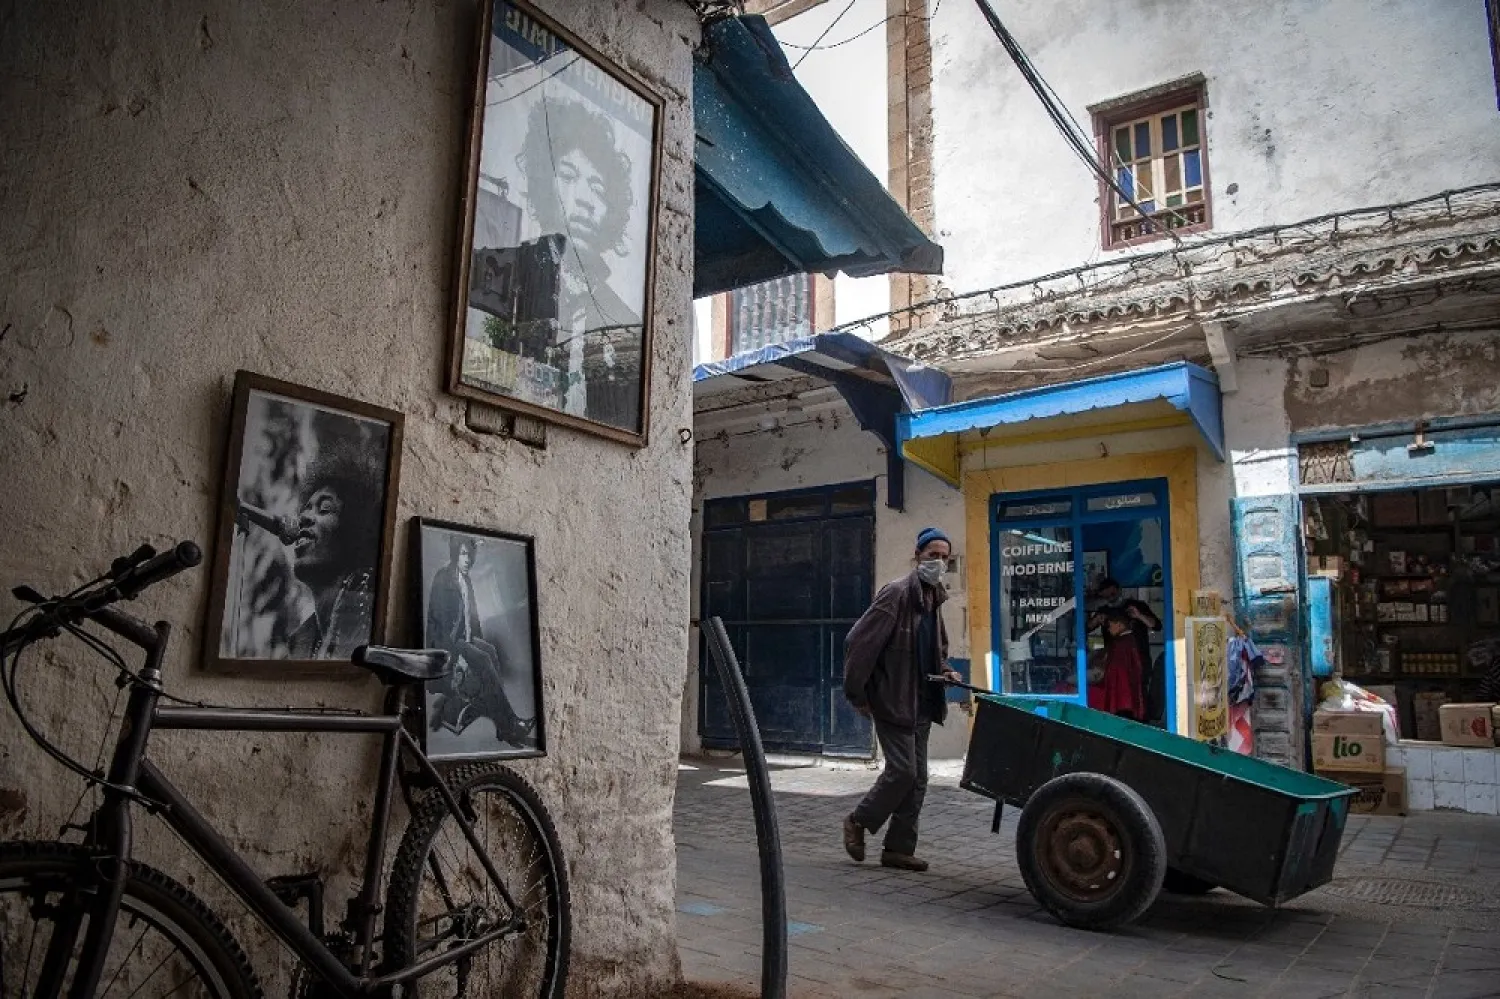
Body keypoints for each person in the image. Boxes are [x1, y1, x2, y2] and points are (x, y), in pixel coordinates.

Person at [841, 527, 963, 873]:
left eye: (944, 557)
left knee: (919, 778)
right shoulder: (895, 594)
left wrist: (946, 670)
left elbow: (935, 649)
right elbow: (858, 643)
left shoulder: (934, 598)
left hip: (923, 700)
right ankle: (858, 821)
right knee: (902, 772)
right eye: (932, 555)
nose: (938, 562)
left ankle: (898, 849)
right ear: (917, 556)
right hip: (893, 698)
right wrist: (857, 693)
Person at [424, 536, 536, 746]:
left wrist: (478, 642)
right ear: (455, 554)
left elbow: (472, 618)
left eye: (470, 555)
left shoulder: (466, 580)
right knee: (484, 659)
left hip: (465, 637)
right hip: (448, 643)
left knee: (490, 651)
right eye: (463, 554)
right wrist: (457, 658)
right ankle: (510, 725)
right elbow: (439, 624)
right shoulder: (443, 578)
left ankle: (501, 721)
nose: (468, 560)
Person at [1087, 577, 1163, 722]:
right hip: (1114, 664)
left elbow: (1156, 626)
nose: (1111, 598)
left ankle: (1140, 726)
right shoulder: (1104, 611)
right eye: (1107, 596)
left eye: (1112, 594)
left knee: (1138, 696)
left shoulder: (1137, 606)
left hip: (1138, 660)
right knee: (1118, 697)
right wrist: (1096, 620)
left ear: (1119, 590)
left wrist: (1139, 615)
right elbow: (1085, 629)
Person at [1087, 610, 1146, 720]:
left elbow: (1110, 669)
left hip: (1118, 689)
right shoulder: (1130, 641)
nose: (1108, 629)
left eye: (1110, 626)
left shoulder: (1120, 644)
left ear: (1119, 624)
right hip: (1128, 691)